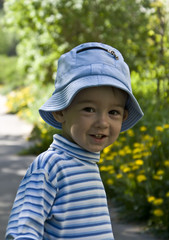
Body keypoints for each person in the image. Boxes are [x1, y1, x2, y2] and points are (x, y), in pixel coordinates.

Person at [6, 42, 144, 240]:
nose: (102, 122)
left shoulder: (86, 163)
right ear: (61, 111)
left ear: (123, 117)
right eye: (89, 109)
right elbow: (22, 229)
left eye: (113, 112)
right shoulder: (50, 166)